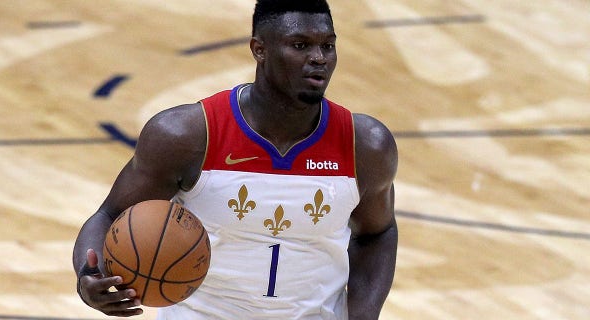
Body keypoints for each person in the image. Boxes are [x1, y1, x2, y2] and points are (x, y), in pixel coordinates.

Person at [73, 0, 398, 319]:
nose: (318, 58)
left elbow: (377, 233)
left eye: (328, 46)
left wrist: (364, 313)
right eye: (300, 45)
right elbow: (110, 216)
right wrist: (91, 276)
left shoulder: (366, 145)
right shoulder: (186, 136)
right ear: (259, 49)